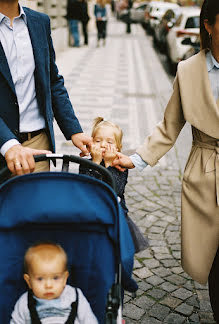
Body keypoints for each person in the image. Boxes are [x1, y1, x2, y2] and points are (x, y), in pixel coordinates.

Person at [112, 0, 219, 321]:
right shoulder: (188, 71)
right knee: (213, 261)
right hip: (205, 174)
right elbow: (170, 125)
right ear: (210, 26)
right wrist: (138, 159)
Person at [0, 0, 91, 177]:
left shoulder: (40, 22)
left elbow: (52, 81)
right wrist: (8, 143)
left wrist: (74, 130)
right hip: (3, 141)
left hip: (36, 144)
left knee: (33, 204)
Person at [79, 117, 148, 253]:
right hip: (91, 214)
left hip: (115, 215)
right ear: (91, 143)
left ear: (118, 148)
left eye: (109, 142)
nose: (103, 145)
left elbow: (114, 189)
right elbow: (88, 188)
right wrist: (96, 163)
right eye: (98, 141)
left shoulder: (120, 167)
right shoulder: (85, 164)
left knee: (113, 251)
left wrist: (109, 165)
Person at [10, 241, 98, 323]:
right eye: (40, 279)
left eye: (55, 278)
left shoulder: (74, 296)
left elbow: (89, 320)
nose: (48, 285)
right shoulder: (24, 302)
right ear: (28, 281)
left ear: (65, 279)